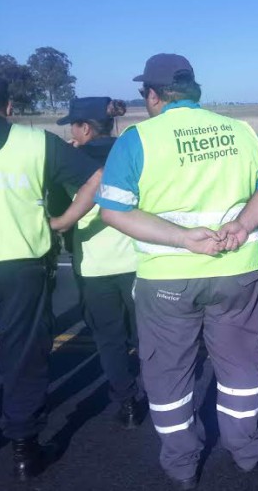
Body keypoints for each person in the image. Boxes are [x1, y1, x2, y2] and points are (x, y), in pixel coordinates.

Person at [96, 54, 258, 489]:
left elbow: (114, 210)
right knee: (241, 365)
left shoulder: (138, 138)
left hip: (166, 278)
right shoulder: (240, 131)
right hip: (236, 271)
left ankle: (183, 464)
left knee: (169, 373)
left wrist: (183, 239)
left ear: (153, 94)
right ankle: (245, 451)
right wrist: (242, 225)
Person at [0, 77, 103, 480]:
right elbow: (95, 179)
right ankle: (24, 449)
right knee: (23, 355)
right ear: (8, 106)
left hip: (24, 265)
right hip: (22, 264)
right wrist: (61, 222)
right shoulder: (36, 142)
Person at [55, 97, 145, 429]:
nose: (71, 132)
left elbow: (59, 204)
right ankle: (162, 394)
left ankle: (128, 403)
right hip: (137, 260)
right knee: (144, 334)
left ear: (86, 127)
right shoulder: (130, 152)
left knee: (109, 338)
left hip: (93, 266)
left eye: (74, 126)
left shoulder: (69, 161)